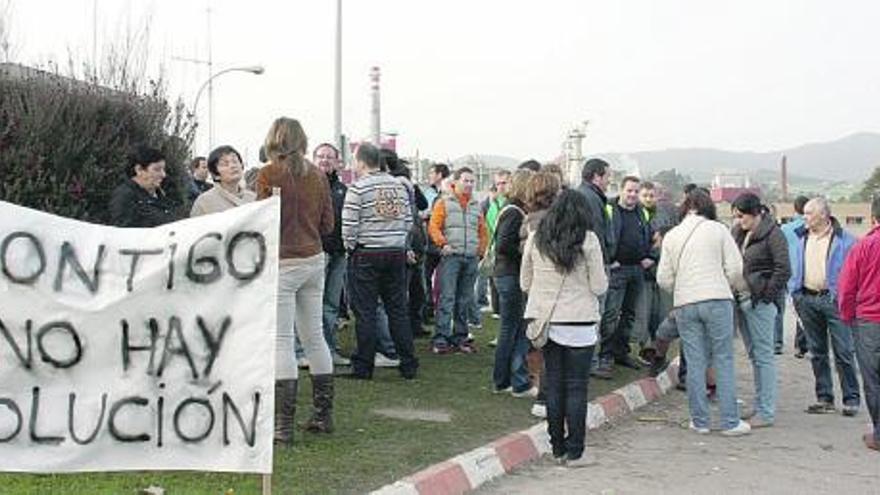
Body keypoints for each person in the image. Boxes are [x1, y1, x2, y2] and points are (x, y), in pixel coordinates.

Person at [256, 117, 335, 443]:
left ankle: (282, 427)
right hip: (313, 259)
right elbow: (328, 225)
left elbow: (260, 221)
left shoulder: (268, 174)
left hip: (284, 261)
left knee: (282, 341)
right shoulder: (318, 175)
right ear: (302, 140)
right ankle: (323, 415)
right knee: (315, 337)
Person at [521, 189, 608, 467]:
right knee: (576, 388)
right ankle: (576, 451)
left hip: (547, 322)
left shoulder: (537, 238)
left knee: (555, 384)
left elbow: (525, 282)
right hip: (580, 321)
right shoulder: (589, 240)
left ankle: (556, 447)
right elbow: (599, 286)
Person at [657, 190, 751, 436]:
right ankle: (730, 422)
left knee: (695, 362)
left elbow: (663, 278)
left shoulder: (672, 235)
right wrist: (729, 286)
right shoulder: (718, 230)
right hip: (717, 299)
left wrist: (682, 288)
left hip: (685, 303)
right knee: (723, 359)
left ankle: (699, 421)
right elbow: (735, 268)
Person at [341, 143, 418, 380]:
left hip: (366, 253)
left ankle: (364, 365)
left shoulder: (358, 188)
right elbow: (408, 220)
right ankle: (408, 363)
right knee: (397, 310)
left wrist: (350, 247)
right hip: (395, 252)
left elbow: (349, 225)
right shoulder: (399, 186)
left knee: (366, 312)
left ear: (361, 162)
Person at [788, 197, 860, 417]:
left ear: (823, 215)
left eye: (809, 213)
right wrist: (795, 293)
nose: (804, 217)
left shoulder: (846, 240)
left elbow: (854, 272)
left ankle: (851, 399)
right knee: (817, 351)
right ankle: (824, 397)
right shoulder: (800, 237)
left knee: (844, 351)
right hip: (807, 299)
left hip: (834, 301)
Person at [730, 193, 791, 428]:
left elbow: (783, 268)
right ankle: (759, 404)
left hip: (759, 303)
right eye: (736, 216)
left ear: (755, 213)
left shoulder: (774, 234)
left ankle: (766, 411)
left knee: (764, 357)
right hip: (742, 299)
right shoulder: (739, 233)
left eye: (742, 215)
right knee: (754, 355)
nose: (739, 220)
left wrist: (766, 294)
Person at [593, 176, 654, 379]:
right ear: (621, 190)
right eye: (629, 191)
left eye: (636, 191)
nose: (633, 195)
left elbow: (650, 237)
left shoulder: (642, 212)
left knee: (629, 314)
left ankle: (621, 352)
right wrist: (610, 260)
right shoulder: (609, 209)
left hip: (637, 269)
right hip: (617, 270)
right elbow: (601, 236)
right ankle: (605, 356)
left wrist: (649, 257)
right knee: (611, 315)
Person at [428, 167, 488, 354]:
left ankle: (460, 336)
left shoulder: (475, 205)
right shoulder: (444, 203)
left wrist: (480, 250)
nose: (469, 184)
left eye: (472, 181)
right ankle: (441, 338)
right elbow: (433, 226)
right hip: (451, 257)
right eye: (466, 180)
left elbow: (483, 230)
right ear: (456, 181)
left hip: (470, 257)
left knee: (464, 299)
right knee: (447, 297)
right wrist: (442, 244)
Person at [837, 196, 880, 451]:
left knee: (873, 378)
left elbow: (846, 288)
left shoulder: (864, 247)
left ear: (873, 217)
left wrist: (847, 316)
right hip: (868, 319)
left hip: (869, 321)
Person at [521, 171, 563, 418]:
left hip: (536, 289)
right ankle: (544, 394)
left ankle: (540, 389)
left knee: (539, 342)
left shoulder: (529, 218)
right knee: (549, 346)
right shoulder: (548, 221)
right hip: (547, 288)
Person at [492, 169, 534, 397]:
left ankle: (504, 380)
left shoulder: (511, 210)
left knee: (512, 329)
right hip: (510, 275)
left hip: (506, 274)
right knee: (513, 329)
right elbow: (504, 245)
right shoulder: (514, 213)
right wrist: (527, 251)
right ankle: (513, 380)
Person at [315, 142, 351, 367]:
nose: (325, 160)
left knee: (331, 305)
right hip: (315, 253)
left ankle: (329, 348)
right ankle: (303, 350)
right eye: (321, 156)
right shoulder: (306, 187)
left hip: (339, 252)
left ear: (338, 162)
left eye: (330, 157)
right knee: (310, 305)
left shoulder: (342, 190)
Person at [109, 145, 179, 227]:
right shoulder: (124, 197)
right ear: (139, 170)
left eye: (164, 169)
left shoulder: (161, 194)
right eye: (157, 169)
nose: (163, 175)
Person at [781, 195, 811, 357]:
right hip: (810, 273)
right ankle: (806, 343)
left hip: (792, 275)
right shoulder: (811, 226)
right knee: (808, 308)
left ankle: (801, 345)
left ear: (795, 208)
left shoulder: (786, 229)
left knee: (798, 310)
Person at [190, 145, 255, 216]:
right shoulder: (204, 202)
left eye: (235, 161)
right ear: (215, 175)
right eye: (225, 164)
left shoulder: (253, 198)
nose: (233, 166)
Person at [423, 163, 452, 321]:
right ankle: (430, 307)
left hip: (440, 244)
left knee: (440, 280)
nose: (429, 176)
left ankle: (436, 308)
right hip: (433, 243)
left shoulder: (443, 197)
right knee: (427, 277)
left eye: (432, 173)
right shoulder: (432, 193)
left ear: (440, 175)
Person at [576, 158, 612, 264]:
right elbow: (597, 232)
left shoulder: (583, 194)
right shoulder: (591, 199)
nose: (609, 181)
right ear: (597, 177)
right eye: (607, 176)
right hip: (594, 260)